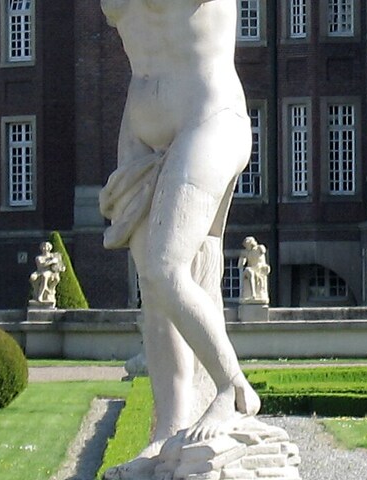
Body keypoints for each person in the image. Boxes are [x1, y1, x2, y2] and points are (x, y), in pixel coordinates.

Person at [96, 0, 257, 463]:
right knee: (154, 282)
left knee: (166, 269)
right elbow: (142, 57)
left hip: (209, 117)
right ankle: (170, 426)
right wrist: (129, 147)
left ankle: (234, 390)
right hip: (141, 132)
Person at [238, 237, 270, 304]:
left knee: (253, 273)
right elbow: (239, 265)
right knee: (249, 271)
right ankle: (253, 294)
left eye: (247, 245)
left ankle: (254, 294)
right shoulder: (246, 252)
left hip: (259, 268)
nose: (246, 247)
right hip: (251, 268)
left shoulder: (259, 248)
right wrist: (242, 260)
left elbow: (263, 251)